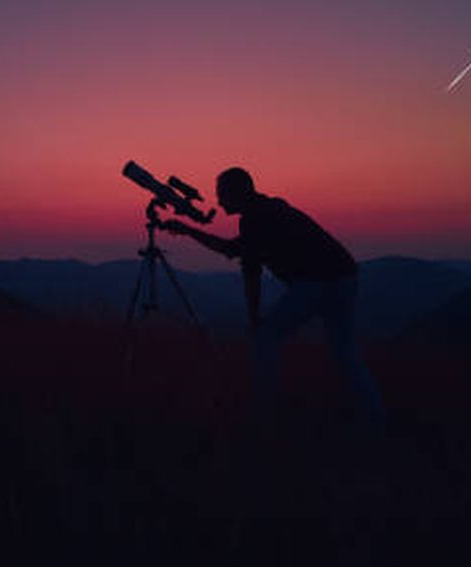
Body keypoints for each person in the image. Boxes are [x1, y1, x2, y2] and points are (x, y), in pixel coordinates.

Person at [163, 166, 384, 422]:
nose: (219, 200)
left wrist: (189, 231)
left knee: (266, 339)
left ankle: (265, 412)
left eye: (222, 194)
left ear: (238, 192)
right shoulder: (266, 210)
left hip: (318, 281)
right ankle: (374, 418)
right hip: (344, 276)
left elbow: (238, 256)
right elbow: (248, 262)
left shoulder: (256, 218)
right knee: (344, 351)